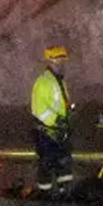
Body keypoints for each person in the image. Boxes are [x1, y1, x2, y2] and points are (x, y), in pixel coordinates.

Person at [30, 45, 75, 195]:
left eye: (63, 60)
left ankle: (65, 192)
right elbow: (39, 109)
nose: (62, 64)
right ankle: (45, 197)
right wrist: (56, 121)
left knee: (64, 163)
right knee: (47, 165)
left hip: (60, 131)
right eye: (58, 61)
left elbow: (63, 103)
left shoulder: (59, 81)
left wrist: (67, 117)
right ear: (49, 61)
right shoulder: (43, 82)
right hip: (47, 133)